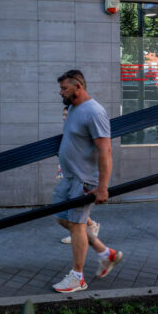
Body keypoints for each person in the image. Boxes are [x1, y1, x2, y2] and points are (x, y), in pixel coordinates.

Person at [52, 70, 122, 293]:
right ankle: (106, 253)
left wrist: (102, 187)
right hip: (69, 177)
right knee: (63, 219)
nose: (60, 92)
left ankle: (77, 277)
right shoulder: (73, 108)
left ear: (78, 87)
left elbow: (105, 150)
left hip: (84, 180)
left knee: (77, 225)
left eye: (64, 88)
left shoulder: (94, 112)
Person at [58, 105, 101, 245]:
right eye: (63, 115)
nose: (64, 118)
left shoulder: (81, 131)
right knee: (71, 204)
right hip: (69, 172)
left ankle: (83, 232)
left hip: (80, 175)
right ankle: (88, 227)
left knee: (74, 205)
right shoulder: (68, 130)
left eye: (66, 115)